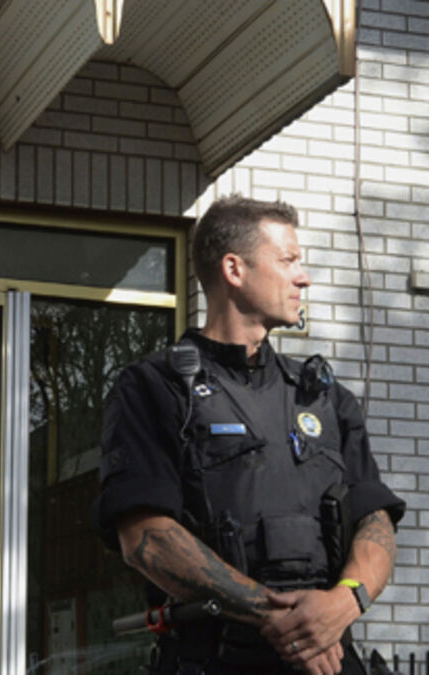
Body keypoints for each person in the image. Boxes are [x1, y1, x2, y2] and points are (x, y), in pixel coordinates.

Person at [95, 195, 405, 675]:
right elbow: (144, 538)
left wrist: (344, 602)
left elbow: (375, 520)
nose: (303, 277)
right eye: (288, 261)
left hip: (330, 659)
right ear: (234, 269)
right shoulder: (154, 388)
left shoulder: (324, 396)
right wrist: (281, 618)